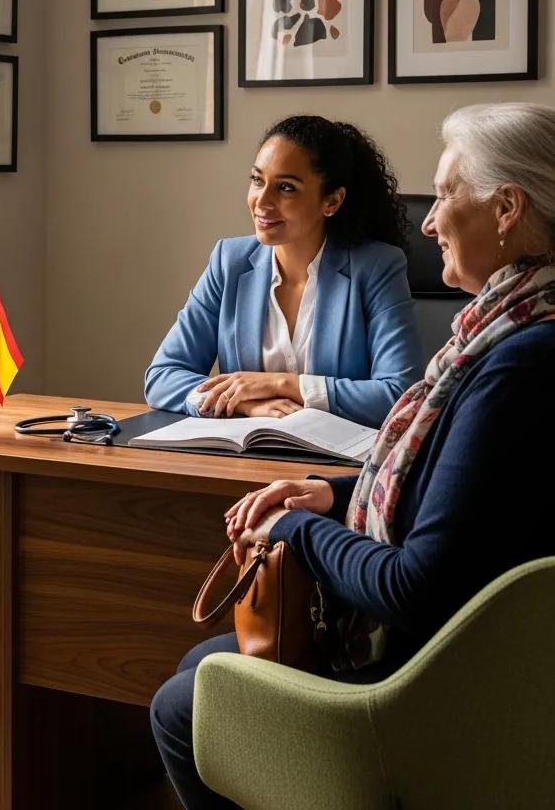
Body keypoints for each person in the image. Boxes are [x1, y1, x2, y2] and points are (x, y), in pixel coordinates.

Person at [150, 102, 555, 809]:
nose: (429, 222)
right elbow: (453, 490)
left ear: (507, 208)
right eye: (258, 182)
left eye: (448, 194)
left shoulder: (516, 366)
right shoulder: (509, 333)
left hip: (429, 676)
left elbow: (412, 587)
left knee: (185, 703)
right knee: (200, 669)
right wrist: (332, 495)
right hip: (476, 651)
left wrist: (297, 528)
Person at [144, 115, 423, 428]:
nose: (262, 201)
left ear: (331, 200)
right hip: (248, 457)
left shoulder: (376, 267)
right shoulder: (229, 261)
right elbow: (163, 376)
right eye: (257, 180)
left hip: (338, 467)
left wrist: (283, 384)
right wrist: (244, 403)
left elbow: (400, 395)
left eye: (286, 188)